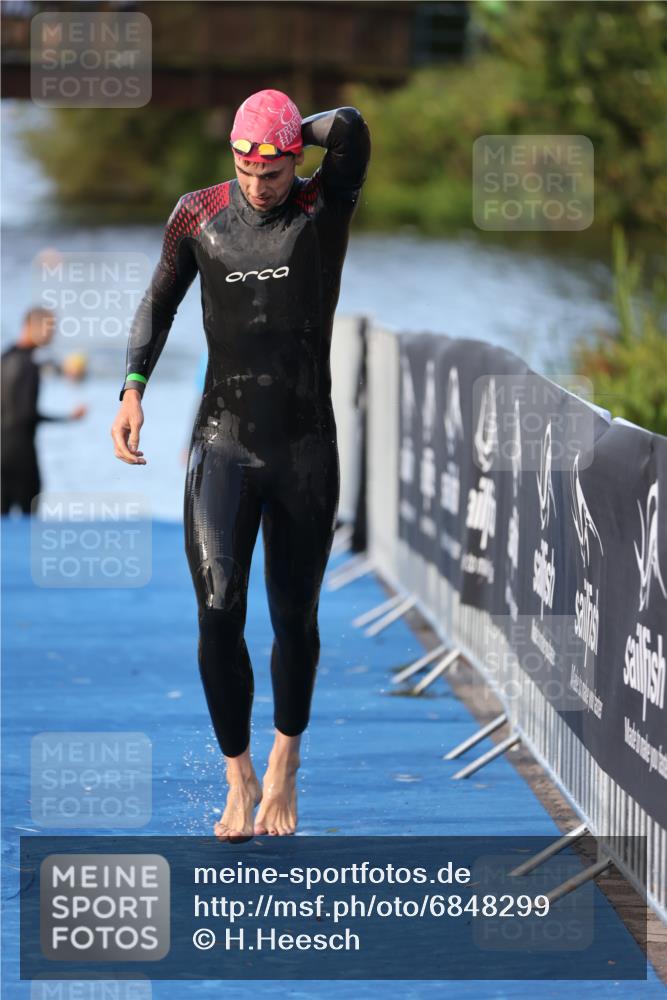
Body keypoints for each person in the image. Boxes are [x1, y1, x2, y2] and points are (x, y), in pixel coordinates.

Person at [111, 89, 371, 840]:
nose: (259, 187)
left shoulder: (323, 210)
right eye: (247, 170)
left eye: (275, 171)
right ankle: (239, 775)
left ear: (295, 158)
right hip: (221, 442)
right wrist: (132, 390)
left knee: (294, 617)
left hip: (303, 447)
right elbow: (155, 306)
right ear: (231, 157)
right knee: (219, 609)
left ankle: (286, 764)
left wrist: (292, 125)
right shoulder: (196, 216)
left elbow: (349, 130)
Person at [1, 307, 87, 515]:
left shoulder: (6, 357)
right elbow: (26, 415)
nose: (52, 334)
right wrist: (68, 418)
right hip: (21, 453)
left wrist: (62, 370)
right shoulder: (30, 365)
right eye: (48, 329)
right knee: (28, 523)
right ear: (31, 327)